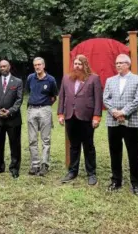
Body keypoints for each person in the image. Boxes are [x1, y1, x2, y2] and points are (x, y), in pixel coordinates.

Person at [103, 54, 138, 195]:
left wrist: (124, 112)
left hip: (131, 121)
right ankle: (116, 180)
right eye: (116, 63)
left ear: (128, 64)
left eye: (121, 63)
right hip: (113, 120)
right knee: (114, 151)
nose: (118, 65)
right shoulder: (110, 80)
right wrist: (114, 111)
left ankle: (136, 183)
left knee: (133, 153)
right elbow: (106, 98)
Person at [57, 55, 102, 185]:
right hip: (70, 116)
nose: (77, 66)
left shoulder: (94, 78)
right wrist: (60, 114)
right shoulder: (67, 78)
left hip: (86, 117)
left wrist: (96, 117)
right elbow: (62, 97)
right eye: (75, 63)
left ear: (85, 65)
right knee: (74, 146)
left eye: (79, 64)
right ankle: (72, 171)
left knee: (88, 146)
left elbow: (98, 99)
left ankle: (91, 173)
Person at [0, 60, 23, 178]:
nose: (3, 68)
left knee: (15, 144)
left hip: (13, 119)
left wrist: (10, 111)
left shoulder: (18, 81)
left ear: (9, 67)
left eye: (5, 66)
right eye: (1, 67)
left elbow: (19, 100)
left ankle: (14, 168)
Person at [25, 57, 58, 176]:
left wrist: (46, 106)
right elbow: (29, 91)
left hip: (45, 109)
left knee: (46, 139)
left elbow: (54, 96)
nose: (37, 67)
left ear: (43, 65)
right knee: (32, 139)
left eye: (39, 64)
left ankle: (45, 164)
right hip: (32, 109)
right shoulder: (30, 78)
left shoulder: (50, 80)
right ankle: (35, 164)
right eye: (35, 65)